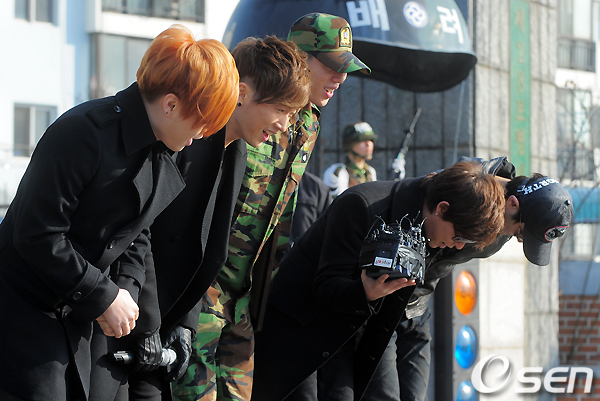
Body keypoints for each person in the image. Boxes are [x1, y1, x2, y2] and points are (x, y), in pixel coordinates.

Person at [0, 24, 238, 401]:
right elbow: (37, 234)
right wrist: (103, 295)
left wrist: (124, 291)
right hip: (29, 313)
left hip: (89, 316)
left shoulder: (160, 150)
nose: (203, 135)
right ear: (171, 105)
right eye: (202, 122)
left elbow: (136, 233)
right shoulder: (83, 133)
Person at [171, 12, 371, 401]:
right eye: (331, 66)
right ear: (300, 57)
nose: (340, 78)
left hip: (248, 295)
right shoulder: (240, 105)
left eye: (345, 69)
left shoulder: (309, 123)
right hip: (204, 285)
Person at [106, 35, 311, 401]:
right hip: (126, 314)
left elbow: (206, 255)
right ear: (242, 93)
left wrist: (183, 325)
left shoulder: (238, 152)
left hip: (167, 323)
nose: (284, 125)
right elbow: (139, 234)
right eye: (281, 110)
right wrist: (149, 325)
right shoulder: (185, 139)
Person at [251, 161, 506, 400]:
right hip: (298, 331)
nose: (458, 246)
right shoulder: (362, 205)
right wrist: (365, 292)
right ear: (442, 208)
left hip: (347, 335)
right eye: (459, 236)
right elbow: (324, 286)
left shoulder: (429, 230)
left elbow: (409, 318)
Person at [374, 156, 575, 401]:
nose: (517, 238)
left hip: (416, 301)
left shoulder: (502, 227)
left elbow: (438, 264)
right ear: (513, 204)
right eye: (521, 232)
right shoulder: (467, 186)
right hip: (383, 291)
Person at [322, 121, 378, 197]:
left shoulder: (370, 172)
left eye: (371, 140)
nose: (368, 144)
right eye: (363, 140)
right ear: (350, 144)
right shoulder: (337, 172)